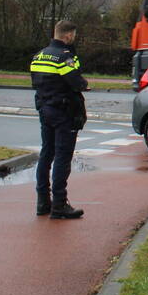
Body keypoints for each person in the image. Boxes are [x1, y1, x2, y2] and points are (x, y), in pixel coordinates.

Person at [30, 20, 89, 219]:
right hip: (64, 111)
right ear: (68, 35)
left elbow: (36, 82)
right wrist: (84, 83)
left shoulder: (38, 56)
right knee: (63, 158)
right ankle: (59, 204)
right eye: (73, 35)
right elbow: (77, 82)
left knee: (46, 154)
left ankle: (42, 202)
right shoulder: (65, 57)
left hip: (45, 109)